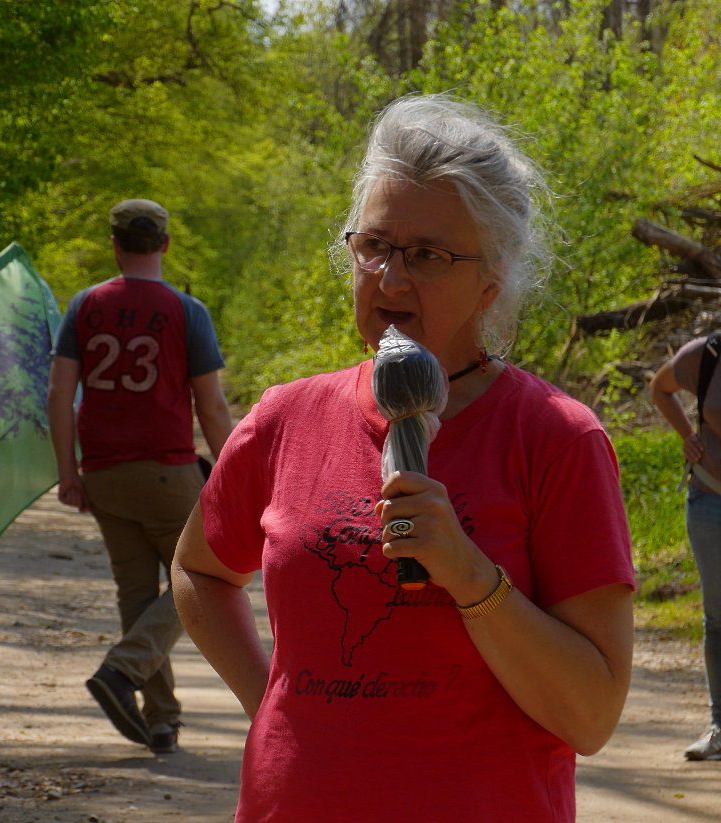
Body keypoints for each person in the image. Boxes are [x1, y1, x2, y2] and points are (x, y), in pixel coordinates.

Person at [171, 95, 635, 820]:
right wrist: (273, 701)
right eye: (374, 246)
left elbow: (592, 715)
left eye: (426, 255)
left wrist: (470, 575)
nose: (389, 279)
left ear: (494, 278)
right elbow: (200, 567)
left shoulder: (556, 438)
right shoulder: (285, 416)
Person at [47, 198, 233, 754]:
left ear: (115, 245)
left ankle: (159, 718)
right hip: (167, 472)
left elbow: (60, 392)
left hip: (103, 472)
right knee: (206, 577)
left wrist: (68, 472)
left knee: (137, 591)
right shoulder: (185, 311)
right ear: (165, 245)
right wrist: (232, 471)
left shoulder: (84, 306)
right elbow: (213, 406)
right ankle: (122, 670)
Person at [651, 338, 721, 759]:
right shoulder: (707, 356)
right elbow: (660, 387)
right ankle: (719, 727)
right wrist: (688, 434)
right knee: (718, 617)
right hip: (711, 499)